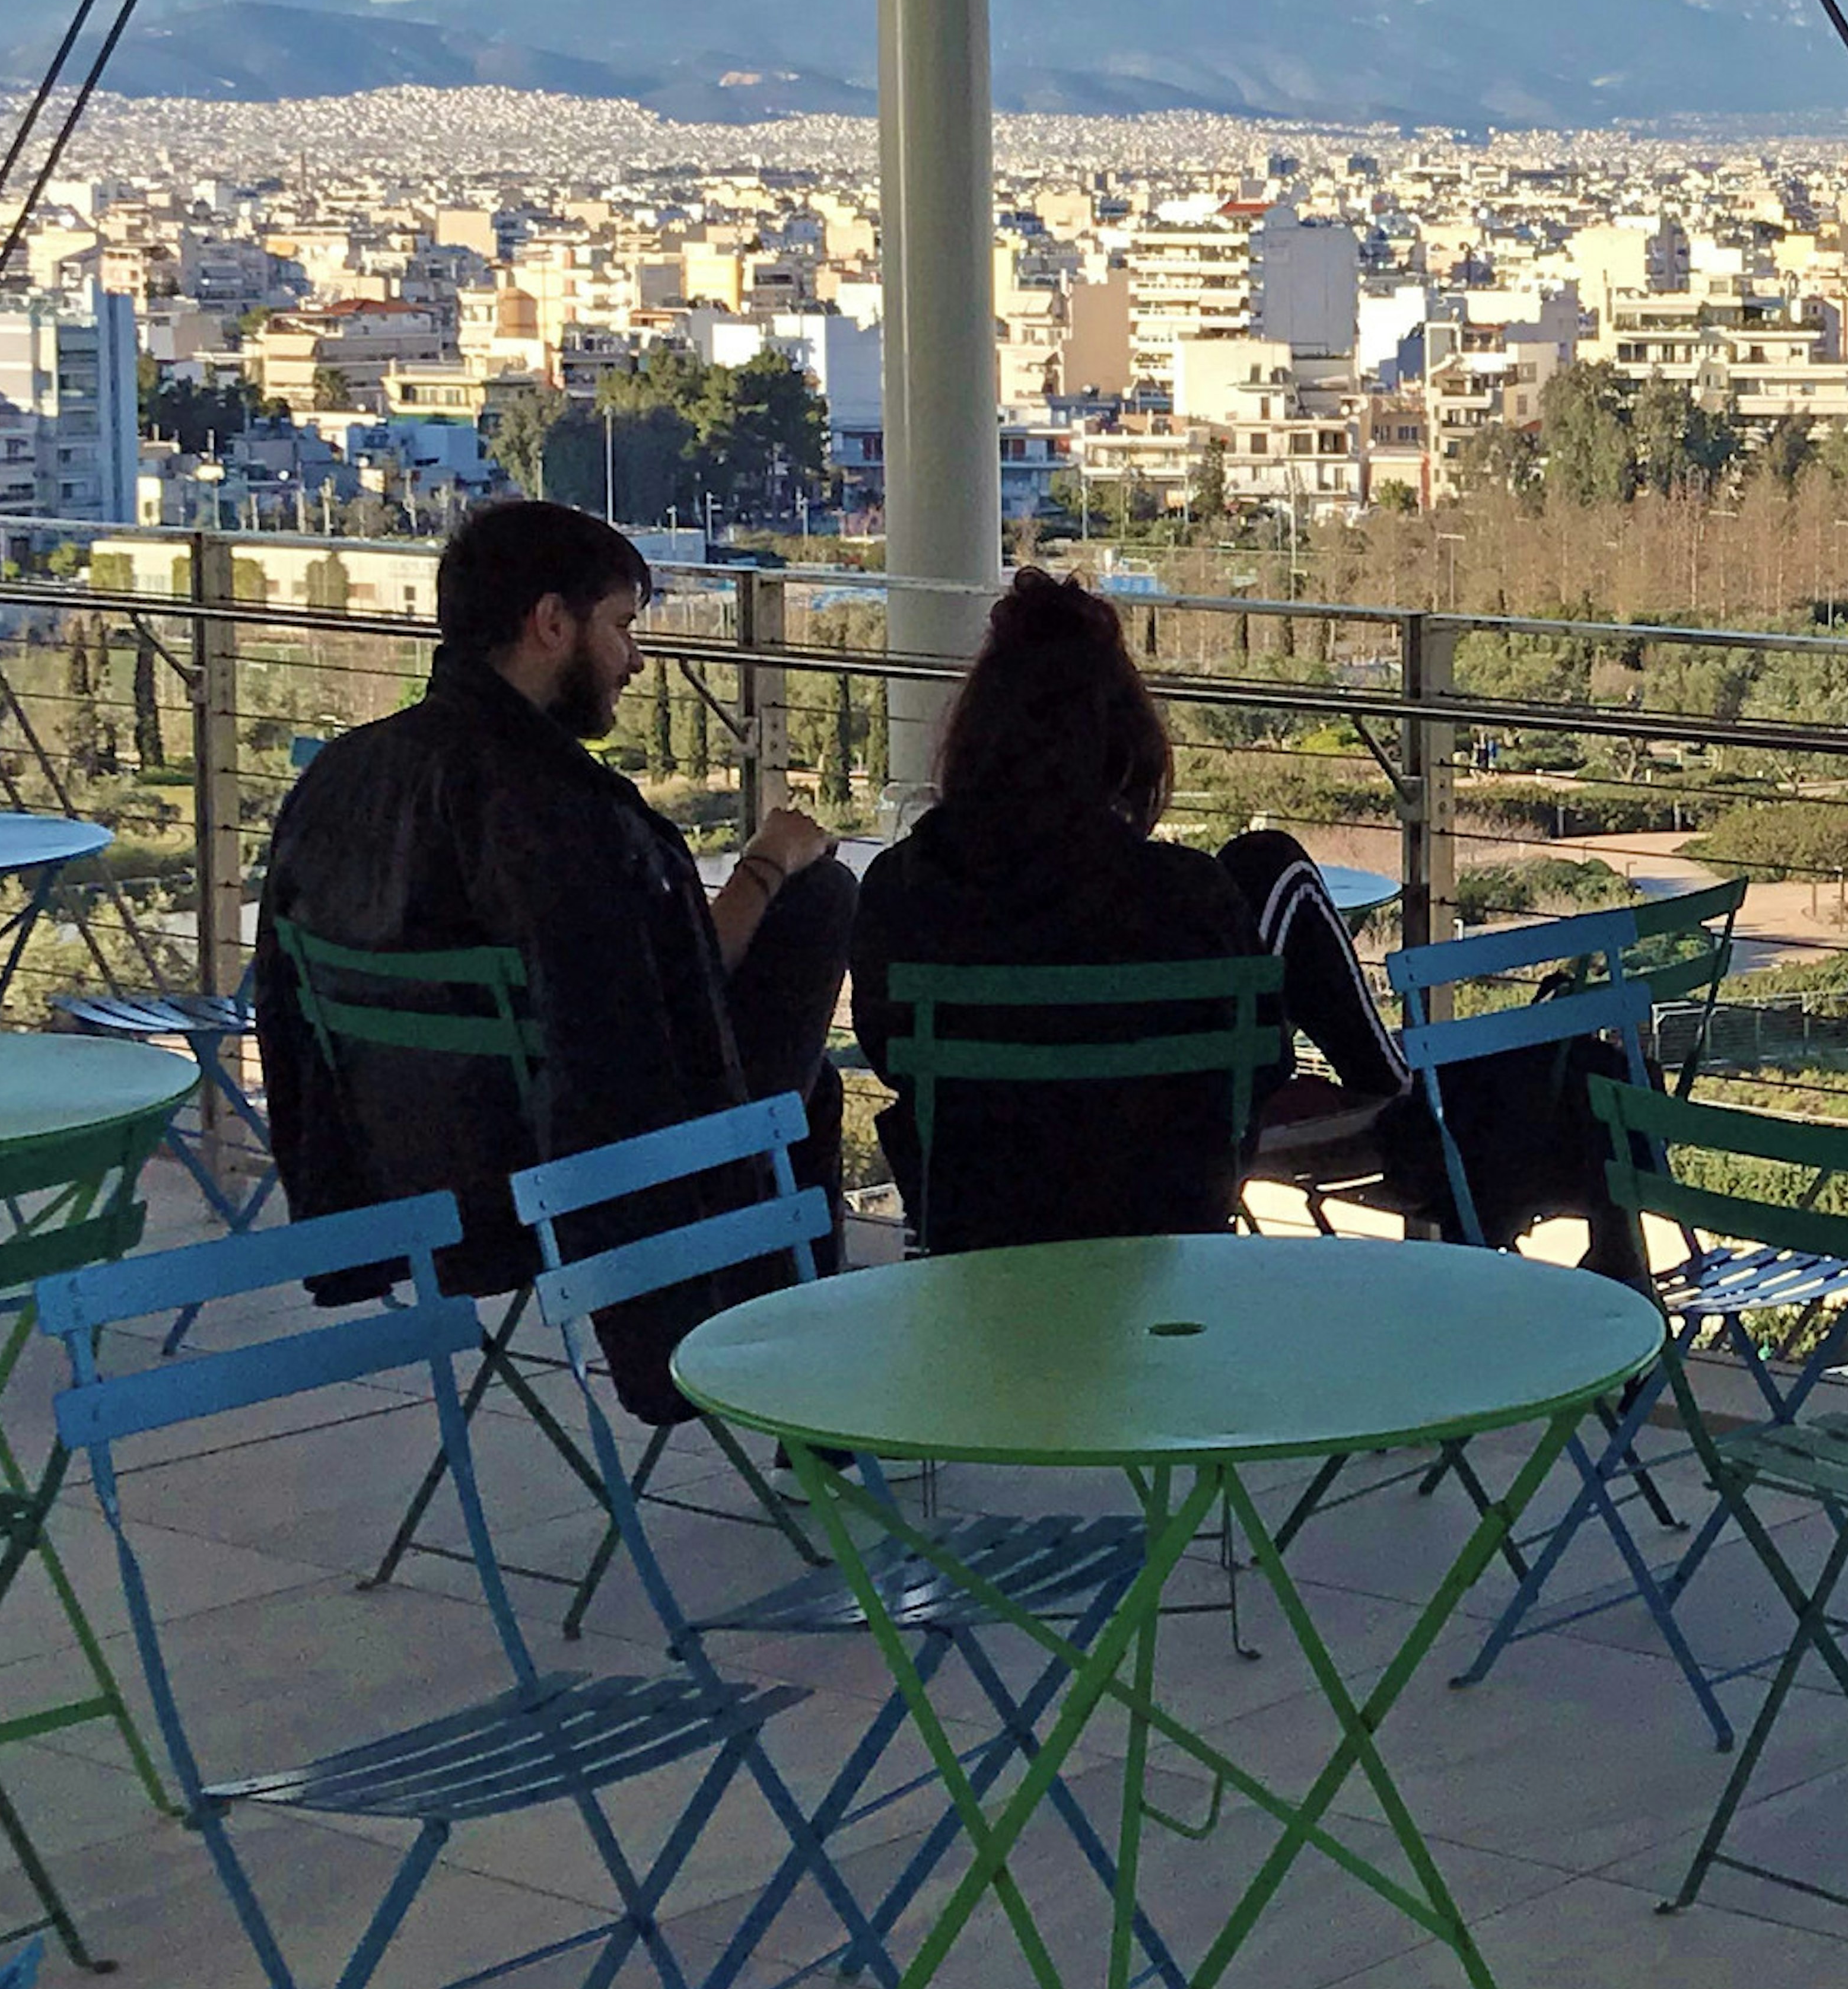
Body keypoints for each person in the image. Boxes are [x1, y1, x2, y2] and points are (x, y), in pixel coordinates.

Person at [255, 498, 853, 1419]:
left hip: (398, 1177)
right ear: (550, 623)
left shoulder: (338, 782)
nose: (636, 660)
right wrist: (770, 868)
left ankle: (793, 1379)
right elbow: (654, 1018)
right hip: (550, 1190)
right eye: (621, 626)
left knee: (808, 1096)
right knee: (821, 908)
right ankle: (766, 1376)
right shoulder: (553, 814)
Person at [848, 568, 1410, 1255]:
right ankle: (1406, 1099)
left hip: (977, 1238)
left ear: (973, 738)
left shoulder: (900, 889)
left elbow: (888, 1055)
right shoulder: (1188, 893)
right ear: (1123, 743)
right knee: (1268, 862)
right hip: (1169, 1233)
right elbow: (1260, 1066)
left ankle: (1404, 1095)